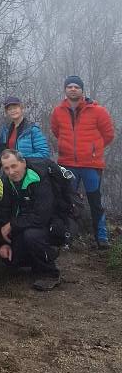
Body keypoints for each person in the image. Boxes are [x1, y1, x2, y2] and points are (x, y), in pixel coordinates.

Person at [50, 76, 115, 248]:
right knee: (66, 201)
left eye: (76, 87)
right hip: (67, 164)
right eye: (69, 86)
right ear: (65, 90)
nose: (73, 89)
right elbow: (56, 131)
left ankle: (101, 237)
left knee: (95, 201)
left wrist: (94, 150)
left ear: (82, 90)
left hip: (91, 166)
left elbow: (108, 134)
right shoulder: (58, 111)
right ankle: (66, 236)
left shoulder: (98, 111)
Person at [0, 149, 60, 291]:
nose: (11, 172)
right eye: (6, 168)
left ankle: (50, 273)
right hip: (24, 223)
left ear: (23, 163)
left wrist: (12, 225)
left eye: (14, 166)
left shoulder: (39, 178)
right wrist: (3, 242)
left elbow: (41, 217)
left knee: (31, 235)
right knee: (9, 260)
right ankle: (35, 261)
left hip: (49, 224)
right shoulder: (7, 181)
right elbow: (4, 211)